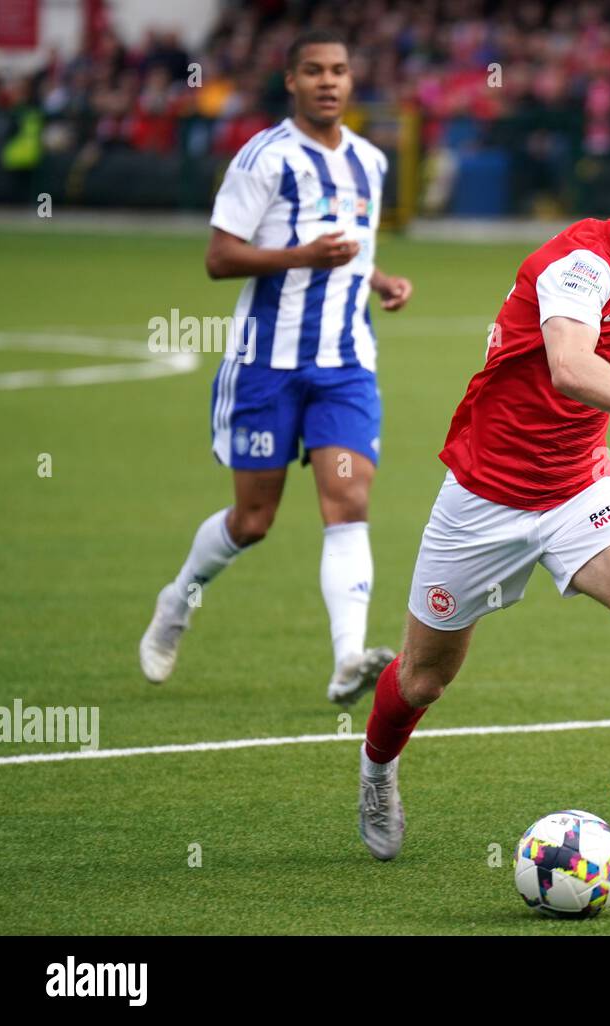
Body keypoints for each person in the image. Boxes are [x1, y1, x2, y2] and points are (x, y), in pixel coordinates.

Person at [356, 134, 610, 861]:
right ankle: (377, 771)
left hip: (575, 488)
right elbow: (572, 366)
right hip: (484, 496)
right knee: (423, 678)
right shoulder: (580, 265)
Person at [139, 30, 413, 706]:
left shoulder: (371, 162)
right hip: (267, 363)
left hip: (345, 364)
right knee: (253, 520)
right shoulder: (264, 158)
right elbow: (219, 257)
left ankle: (348, 658)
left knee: (347, 501)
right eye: (314, 71)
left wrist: (377, 278)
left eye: (340, 71)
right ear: (291, 81)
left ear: (353, 81)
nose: (328, 81)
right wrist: (300, 257)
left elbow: (349, 245)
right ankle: (178, 600)